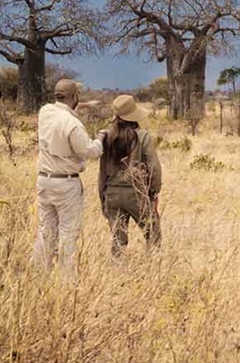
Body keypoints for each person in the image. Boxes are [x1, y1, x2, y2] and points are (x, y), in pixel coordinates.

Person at [33, 79, 105, 279]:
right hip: (66, 184)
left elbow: (64, 107)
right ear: (74, 97)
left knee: (45, 230)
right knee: (68, 233)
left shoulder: (45, 112)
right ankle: (67, 281)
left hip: (44, 181)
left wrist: (86, 105)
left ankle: (38, 277)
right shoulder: (73, 125)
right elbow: (89, 151)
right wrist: (100, 138)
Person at [99, 94, 162, 257]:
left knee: (118, 240)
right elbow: (154, 167)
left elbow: (102, 172)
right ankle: (154, 271)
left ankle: (116, 273)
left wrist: (103, 198)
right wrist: (153, 191)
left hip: (111, 193)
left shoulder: (105, 137)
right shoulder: (142, 136)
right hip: (136, 192)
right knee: (153, 233)